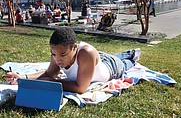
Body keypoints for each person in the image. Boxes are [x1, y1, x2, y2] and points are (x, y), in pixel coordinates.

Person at [5, 27, 137, 94]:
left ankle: (132, 54)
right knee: (111, 56)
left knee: (128, 61)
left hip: (112, 68)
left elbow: (81, 88)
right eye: (53, 54)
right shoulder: (57, 53)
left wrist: (54, 83)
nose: (58, 59)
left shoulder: (86, 53)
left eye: (63, 54)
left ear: (74, 47)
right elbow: (48, 74)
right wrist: (22, 77)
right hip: (97, 60)